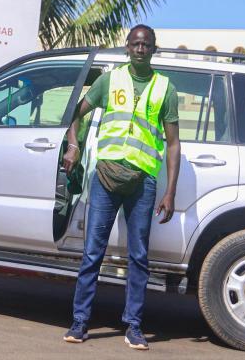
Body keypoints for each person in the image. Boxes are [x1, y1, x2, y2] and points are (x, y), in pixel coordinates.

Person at [62, 24, 180, 351]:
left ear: (154, 49)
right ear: (127, 46)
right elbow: (75, 113)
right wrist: (73, 145)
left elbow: (173, 144)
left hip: (142, 182)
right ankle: (80, 322)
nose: (141, 49)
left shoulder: (165, 88)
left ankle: (134, 326)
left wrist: (170, 191)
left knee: (138, 257)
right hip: (105, 177)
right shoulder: (109, 80)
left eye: (147, 45)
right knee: (92, 252)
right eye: (136, 44)